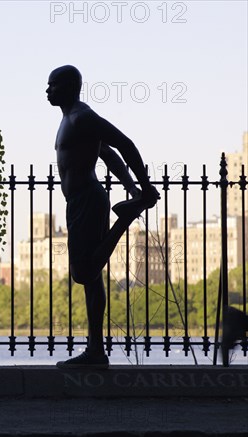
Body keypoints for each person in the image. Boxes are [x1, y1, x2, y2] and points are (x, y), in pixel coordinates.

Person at [46, 65, 160, 369]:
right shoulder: (69, 120)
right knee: (92, 280)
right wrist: (132, 186)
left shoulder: (82, 117)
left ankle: (125, 217)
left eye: (53, 85)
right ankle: (96, 351)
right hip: (79, 202)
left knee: (83, 273)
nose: (47, 91)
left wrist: (143, 189)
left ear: (70, 87)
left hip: (88, 200)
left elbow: (125, 144)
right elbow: (108, 154)